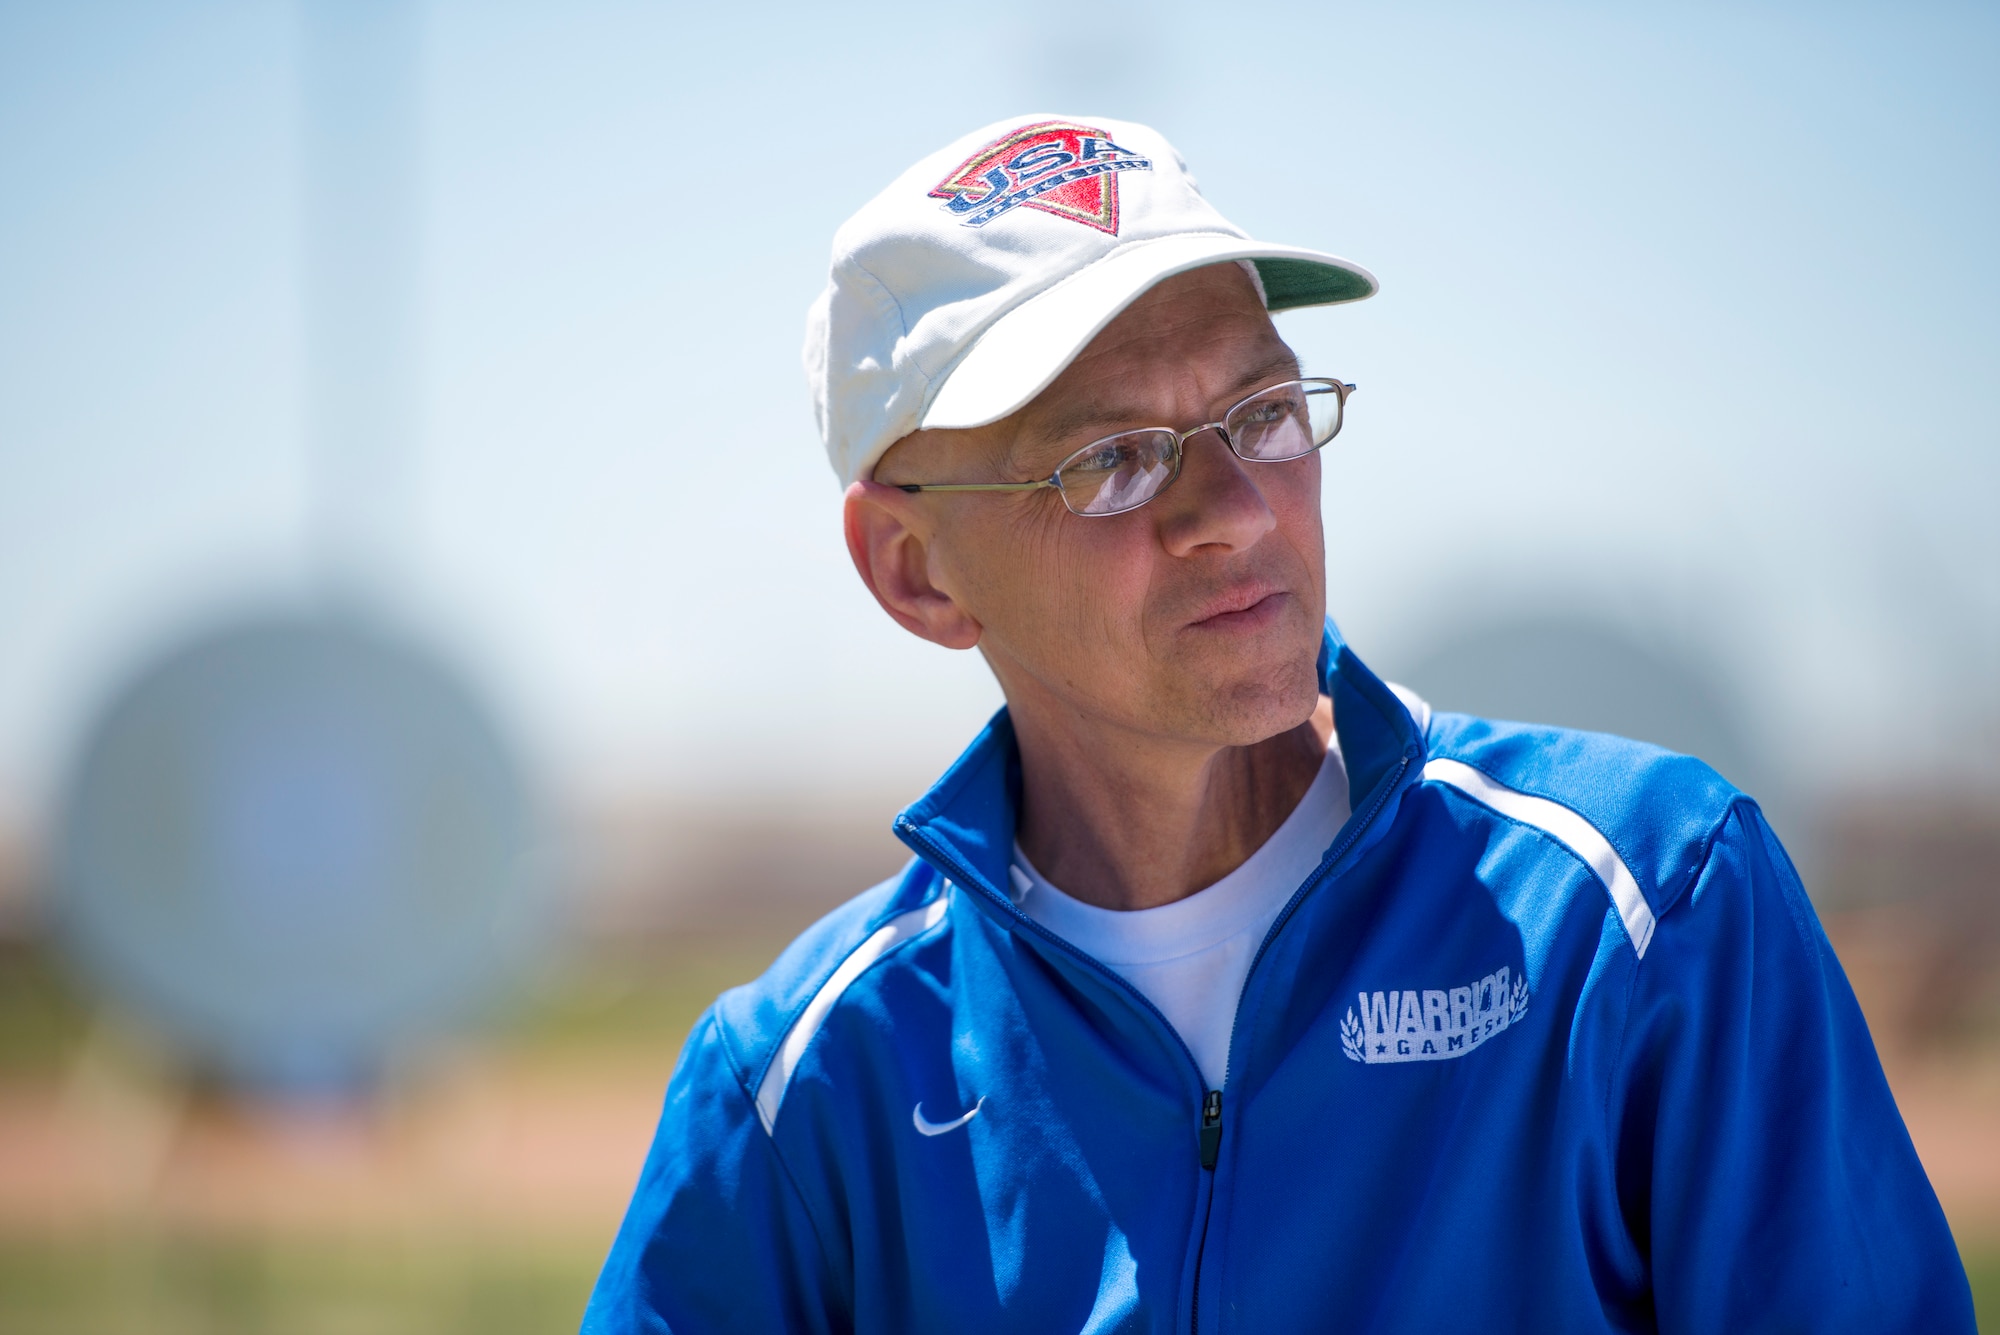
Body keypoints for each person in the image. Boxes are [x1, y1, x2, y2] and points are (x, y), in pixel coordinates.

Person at [582, 114, 1971, 1332]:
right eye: (1113, 459)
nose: (1237, 512)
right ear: (916, 572)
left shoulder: (1646, 908)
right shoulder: (803, 1085)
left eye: (1262, 411)